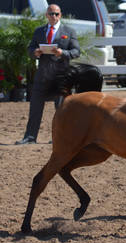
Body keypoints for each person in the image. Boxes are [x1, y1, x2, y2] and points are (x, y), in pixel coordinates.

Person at [15, 4, 80, 145]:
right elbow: (30, 48)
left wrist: (63, 53)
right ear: (46, 15)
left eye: (56, 14)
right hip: (42, 76)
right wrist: (35, 52)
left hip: (61, 77)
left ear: (60, 15)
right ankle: (30, 137)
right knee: (35, 108)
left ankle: (61, 137)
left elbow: (76, 52)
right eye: (51, 14)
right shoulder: (39, 31)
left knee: (61, 110)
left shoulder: (69, 31)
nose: (54, 16)